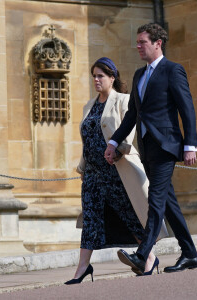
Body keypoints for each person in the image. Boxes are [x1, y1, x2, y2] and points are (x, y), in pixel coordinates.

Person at [105, 23, 197, 275]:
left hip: (167, 146)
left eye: (142, 42)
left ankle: (142, 254)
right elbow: (132, 115)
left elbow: (186, 109)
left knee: (156, 200)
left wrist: (190, 145)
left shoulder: (173, 70)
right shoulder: (139, 75)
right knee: (168, 204)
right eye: (137, 42)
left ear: (158, 43)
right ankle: (190, 254)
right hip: (147, 148)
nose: (137, 46)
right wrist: (114, 141)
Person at [64, 57, 168, 285]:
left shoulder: (123, 100)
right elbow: (87, 138)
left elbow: (128, 130)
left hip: (116, 170)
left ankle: (149, 257)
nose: (96, 80)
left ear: (112, 77)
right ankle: (82, 268)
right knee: (90, 219)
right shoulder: (88, 105)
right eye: (94, 76)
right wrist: (82, 167)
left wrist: (118, 150)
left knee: (129, 215)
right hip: (92, 174)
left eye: (100, 75)